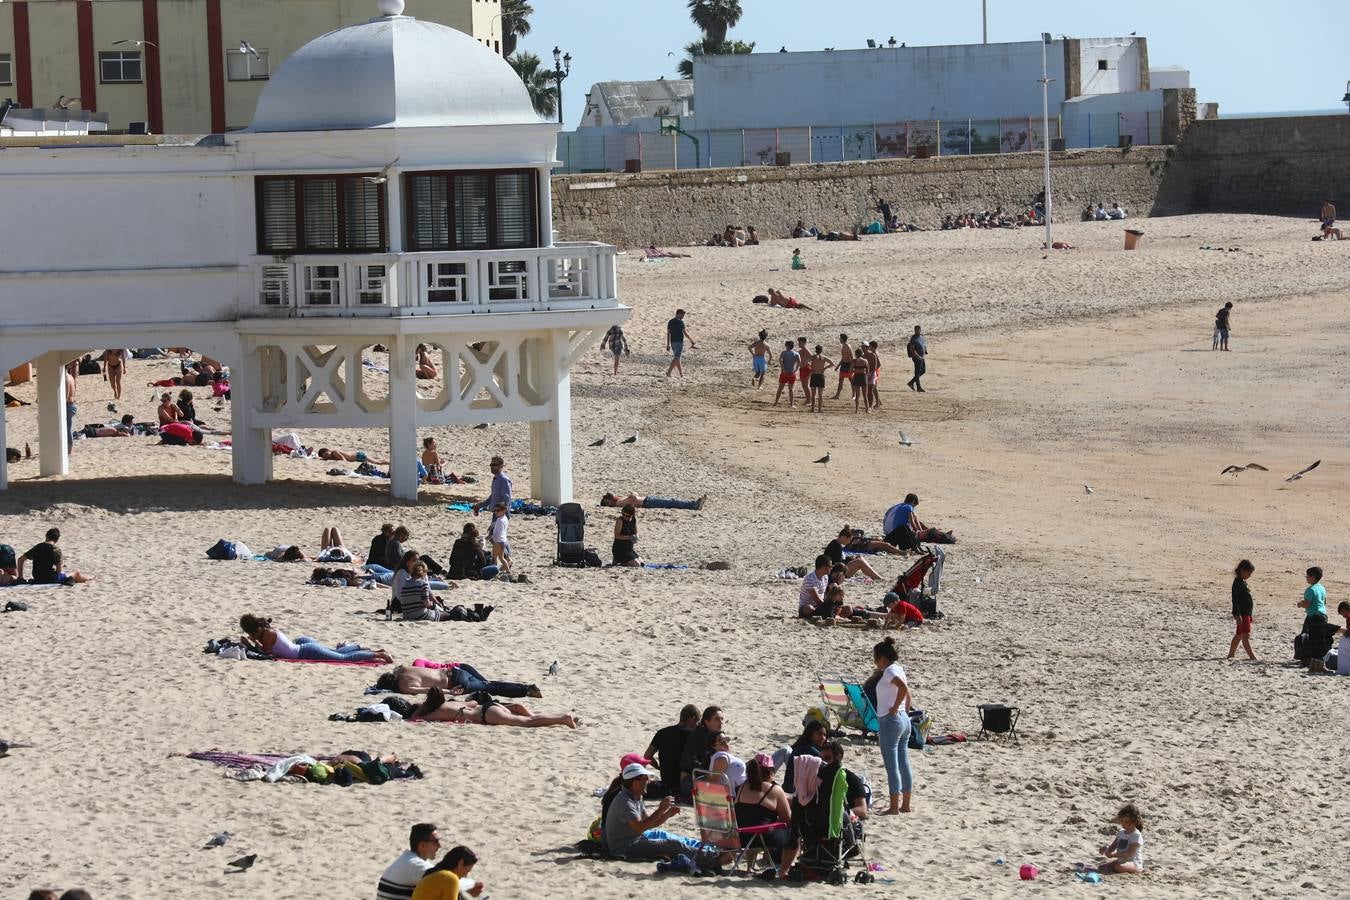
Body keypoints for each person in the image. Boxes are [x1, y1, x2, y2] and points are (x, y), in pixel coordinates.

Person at [732, 755, 796, 876]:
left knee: (752, 821)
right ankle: (784, 871)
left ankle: (749, 868)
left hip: (741, 837)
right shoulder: (775, 789)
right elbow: (787, 819)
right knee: (794, 834)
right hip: (762, 838)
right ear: (771, 771)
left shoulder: (742, 787)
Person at [239, 614, 393, 663]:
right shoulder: (266, 630)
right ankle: (366, 649)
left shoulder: (266, 635)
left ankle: (379, 655)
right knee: (335, 652)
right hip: (302, 645)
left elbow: (266, 654)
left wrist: (252, 642)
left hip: (305, 650)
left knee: (343, 658)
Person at [873, 636, 913, 813]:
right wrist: (905, 711)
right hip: (904, 720)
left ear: (882, 658)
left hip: (891, 721)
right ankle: (905, 805)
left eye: (875, 658)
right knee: (903, 763)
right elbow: (908, 694)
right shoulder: (898, 668)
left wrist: (895, 708)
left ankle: (895, 807)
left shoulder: (889, 671)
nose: (875, 663)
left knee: (892, 765)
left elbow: (903, 689)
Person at [411, 686, 576, 728]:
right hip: (489, 705)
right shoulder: (452, 703)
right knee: (519, 709)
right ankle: (555, 718)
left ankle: (563, 719)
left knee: (527, 722)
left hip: (488, 715)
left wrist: (422, 708)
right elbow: (474, 702)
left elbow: (416, 719)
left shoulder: (437, 711)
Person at [377, 660, 538, 699]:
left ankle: (526, 690)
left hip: (456, 683)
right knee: (489, 685)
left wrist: (450, 692)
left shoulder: (404, 686)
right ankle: (526, 688)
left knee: (491, 688)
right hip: (455, 670)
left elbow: (429, 690)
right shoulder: (403, 669)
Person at [376, 823, 440, 900]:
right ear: (422, 845)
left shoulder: (407, 860)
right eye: (436, 841)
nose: (439, 845)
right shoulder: (415, 865)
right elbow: (449, 881)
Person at [645, 704, 700, 791]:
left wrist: (659, 768)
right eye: (697, 722)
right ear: (693, 719)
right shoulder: (692, 735)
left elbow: (647, 756)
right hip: (684, 783)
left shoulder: (662, 733)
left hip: (666, 782)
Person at [16, 528, 92, 585]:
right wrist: (61, 566)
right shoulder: (56, 549)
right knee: (76, 573)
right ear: (57, 539)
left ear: (46, 536)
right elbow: (59, 571)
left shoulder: (38, 547)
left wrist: (21, 577)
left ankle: (88, 578)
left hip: (37, 578)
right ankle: (89, 578)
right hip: (50, 579)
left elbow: (20, 560)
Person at [678, 706, 724, 796]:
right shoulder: (697, 735)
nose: (721, 722)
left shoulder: (718, 737)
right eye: (717, 719)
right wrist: (708, 772)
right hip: (690, 779)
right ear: (707, 721)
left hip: (710, 776)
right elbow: (690, 761)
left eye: (722, 719)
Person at [411, 845, 482, 900]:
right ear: (461, 863)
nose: (465, 875)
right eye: (467, 871)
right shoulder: (450, 878)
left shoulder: (436, 873)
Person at [1095, 804, 1144, 874]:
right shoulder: (1121, 833)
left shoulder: (1136, 835)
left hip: (1134, 863)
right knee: (1101, 867)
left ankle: (1139, 870)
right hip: (1121, 861)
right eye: (1122, 821)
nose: (1123, 824)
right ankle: (1116, 865)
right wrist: (1106, 849)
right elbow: (1112, 847)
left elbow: (1130, 853)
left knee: (1118, 867)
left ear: (1135, 821)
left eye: (1126, 822)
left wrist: (1113, 855)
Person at [782, 718, 826, 794]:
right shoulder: (809, 749)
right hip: (794, 793)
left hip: (789, 789)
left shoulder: (803, 746)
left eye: (825, 735)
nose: (823, 738)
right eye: (819, 734)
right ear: (811, 734)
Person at [1228, 559, 1257, 660]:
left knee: (1239, 635)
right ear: (1242, 570)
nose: (1250, 575)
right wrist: (1237, 614)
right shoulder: (1237, 583)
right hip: (1242, 613)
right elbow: (1235, 600)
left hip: (1246, 613)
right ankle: (1252, 656)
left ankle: (1231, 654)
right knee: (1245, 635)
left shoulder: (1242, 582)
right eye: (1249, 573)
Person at [600, 491, 706, 511]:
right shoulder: (618, 503)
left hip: (647, 501)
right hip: (647, 502)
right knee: (672, 502)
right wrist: (633, 494)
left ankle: (694, 504)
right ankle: (694, 505)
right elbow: (634, 499)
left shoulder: (619, 500)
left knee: (671, 502)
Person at [666, 309, 695, 379]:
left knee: (678, 359)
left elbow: (668, 333)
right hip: (679, 342)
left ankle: (681, 374)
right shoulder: (681, 322)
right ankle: (669, 372)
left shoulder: (670, 322)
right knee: (677, 358)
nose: (683, 316)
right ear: (678, 314)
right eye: (682, 315)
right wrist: (691, 340)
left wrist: (668, 344)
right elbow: (685, 333)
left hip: (672, 343)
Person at [805, 345, 835, 413]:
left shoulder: (813, 357)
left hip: (814, 375)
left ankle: (813, 409)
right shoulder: (823, 357)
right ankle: (819, 409)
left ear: (816, 350)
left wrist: (811, 367)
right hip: (820, 376)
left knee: (813, 394)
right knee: (820, 394)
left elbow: (806, 362)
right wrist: (825, 368)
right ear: (821, 350)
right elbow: (832, 363)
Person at [612, 503, 642, 567]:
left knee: (642, 563)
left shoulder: (633, 520)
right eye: (623, 514)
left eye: (627, 516)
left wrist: (637, 537)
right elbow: (617, 536)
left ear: (631, 515)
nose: (625, 516)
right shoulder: (620, 520)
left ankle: (620, 561)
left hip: (629, 549)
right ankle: (619, 561)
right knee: (637, 564)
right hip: (620, 549)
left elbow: (636, 532)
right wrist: (629, 537)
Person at [773, 341, 801, 408]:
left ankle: (776, 403)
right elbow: (799, 362)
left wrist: (783, 369)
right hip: (792, 373)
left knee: (780, 388)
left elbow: (780, 360)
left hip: (784, 373)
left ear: (788, 346)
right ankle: (791, 404)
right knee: (791, 389)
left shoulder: (784, 353)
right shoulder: (796, 353)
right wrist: (795, 370)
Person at [488, 502, 511, 573]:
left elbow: (497, 533)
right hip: (504, 541)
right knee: (501, 558)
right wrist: (491, 526)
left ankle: (494, 572)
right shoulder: (505, 518)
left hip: (498, 541)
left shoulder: (499, 520)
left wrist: (490, 537)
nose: (496, 512)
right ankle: (508, 571)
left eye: (498, 510)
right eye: (495, 510)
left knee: (494, 558)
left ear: (504, 511)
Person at [832, 333, 854, 400]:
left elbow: (852, 357)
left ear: (842, 339)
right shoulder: (843, 346)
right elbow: (843, 357)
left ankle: (854, 395)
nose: (839, 339)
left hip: (848, 365)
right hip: (843, 364)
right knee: (841, 381)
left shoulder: (848, 346)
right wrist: (838, 366)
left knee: (852, 381)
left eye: (840, 338)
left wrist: (852, 367)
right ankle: (837, 395)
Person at [906, 325, 927, 392]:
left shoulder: (921, 337)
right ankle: (918, 387)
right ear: (914, 330)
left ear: (920, 330)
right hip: (916, 357)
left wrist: (925, 350)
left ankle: (911, 383)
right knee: (917, 373)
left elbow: (923, 344)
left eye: (918, 330)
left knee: (923, 371)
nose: (917, 331)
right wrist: (917, 356)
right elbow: (912, 349)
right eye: (916, 330)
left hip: (922, 357)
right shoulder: (913, 338)